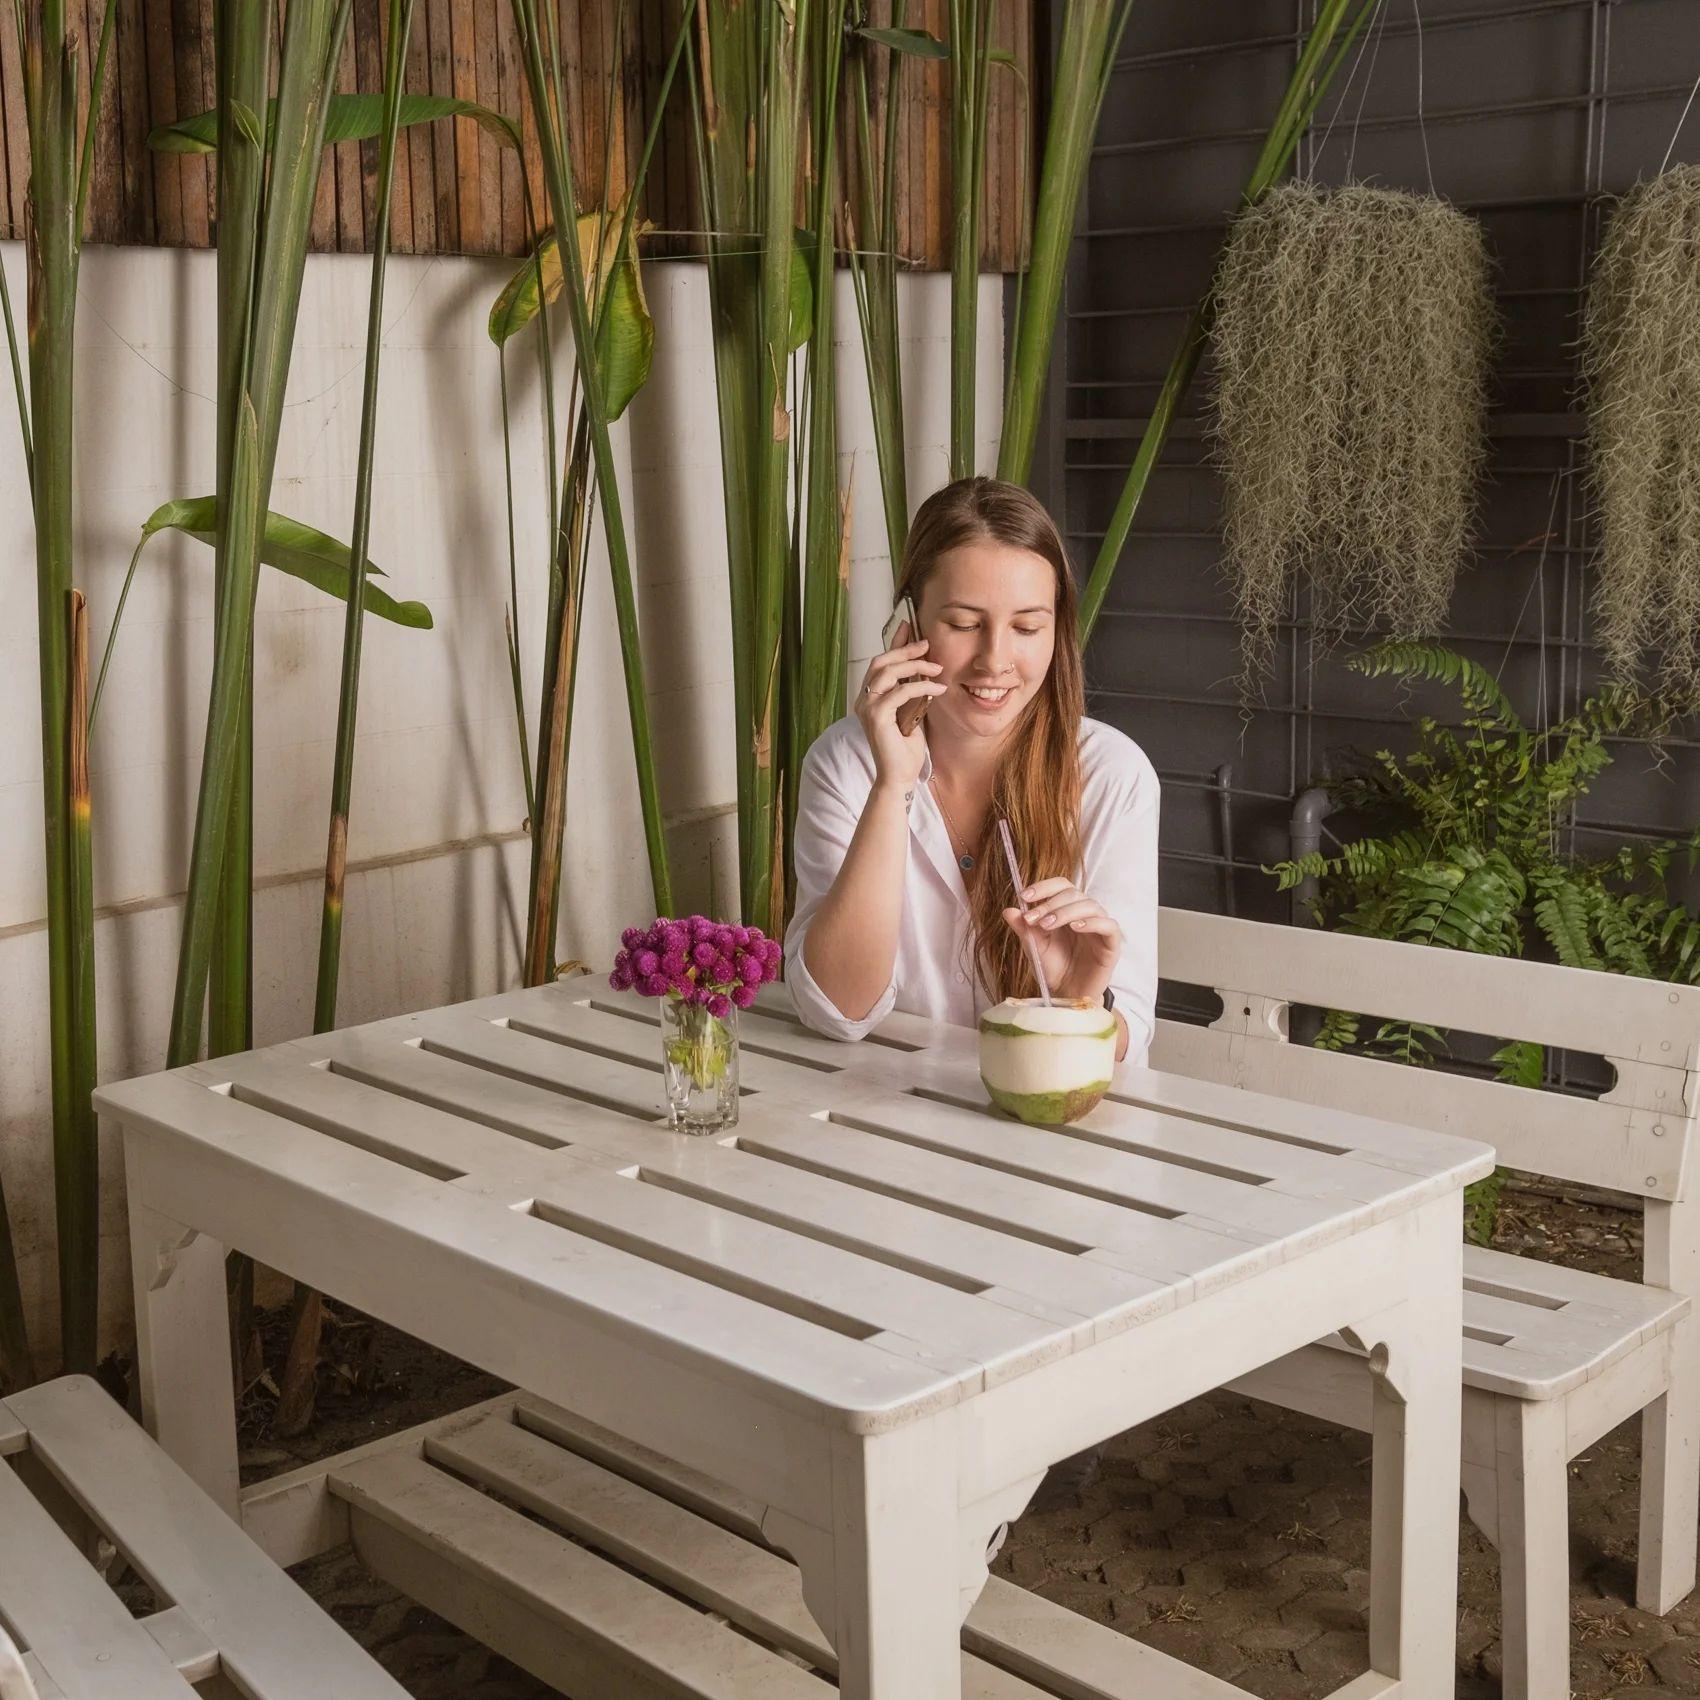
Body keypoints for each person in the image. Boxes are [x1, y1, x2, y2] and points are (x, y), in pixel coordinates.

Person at [785, 475, 1159, 1065]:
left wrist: (1077, 993)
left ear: (1057, 632)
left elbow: (1126, 1046)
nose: (995, 660)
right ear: (910, 625)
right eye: (963, 624)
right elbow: (837, 1012)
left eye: (1028, 627)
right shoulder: (845, 764)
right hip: (880, 1117)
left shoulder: (1112, 775)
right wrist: (892, 786)